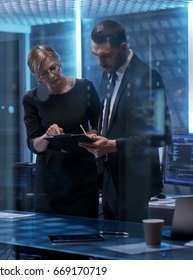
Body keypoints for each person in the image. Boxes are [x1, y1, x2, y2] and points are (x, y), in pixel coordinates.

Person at [79, 19, 172, 222]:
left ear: (123, 48)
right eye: (96, 56)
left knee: (132, 251)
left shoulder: (148, 78)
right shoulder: (108, 74)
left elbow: (161, 134)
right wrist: (96, 133)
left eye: (105, 56)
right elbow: (112, 121)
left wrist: (113, 145)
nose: (100, 62)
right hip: (110, 180)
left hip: (136, 185)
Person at [23, 45, 101, 219]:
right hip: (50, 181)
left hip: (82, 176)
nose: (51, 76)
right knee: (48, 238)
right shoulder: (31, 99)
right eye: (44, 73)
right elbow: (34, 144)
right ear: (37, 76)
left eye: (53, 68)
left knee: (86, 237)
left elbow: (100, 126)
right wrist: (47, 136)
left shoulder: (85, 88)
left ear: (59, 62)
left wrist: (91, 136)